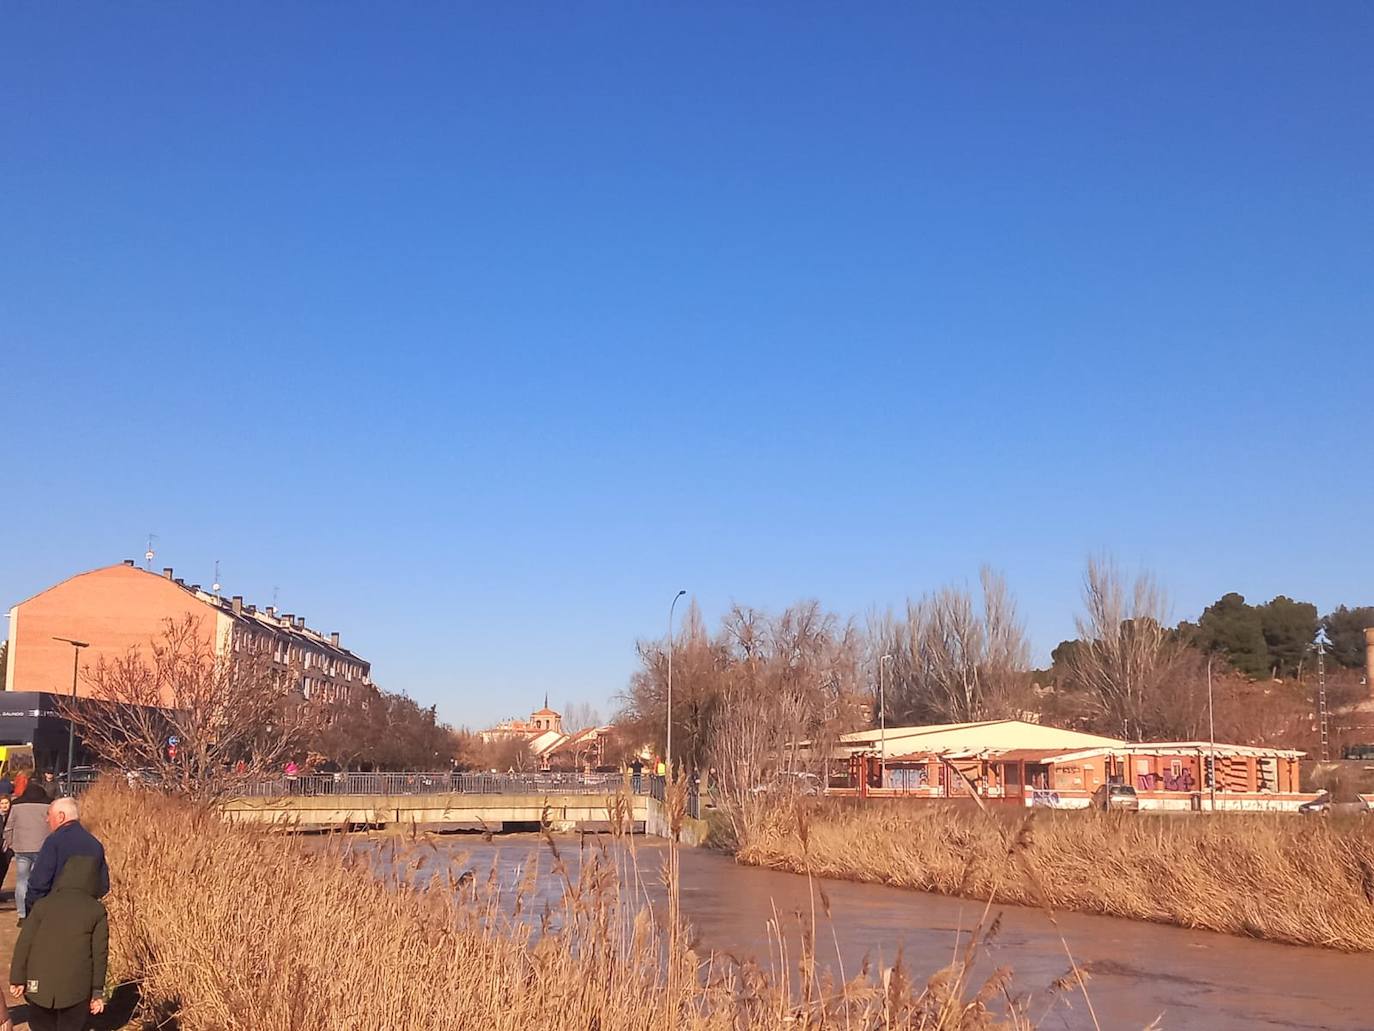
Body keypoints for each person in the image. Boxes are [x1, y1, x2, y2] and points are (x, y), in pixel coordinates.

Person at [9, 853, 107, 1031]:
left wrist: (18, 978)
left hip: (38, 985)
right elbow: (100, 954)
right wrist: (97, 992)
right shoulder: (96, 911)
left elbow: (24, 943)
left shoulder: (43, 905)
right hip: (76, 988)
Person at [27, 798, 109, 910]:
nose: (47, 820)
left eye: (49, 814)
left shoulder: (54, 842)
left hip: (54, 911)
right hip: (85, 913)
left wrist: (32, 910)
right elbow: (103, 885)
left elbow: (39, 882)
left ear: (61, 816)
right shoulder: (95, 844)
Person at [4, 781, 52, 926]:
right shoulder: (48, 806)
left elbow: (8, 827)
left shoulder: (17, 807)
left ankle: (22, 914)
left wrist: (10, 843)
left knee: (22, 880)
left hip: (22, 848)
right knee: (39, 881)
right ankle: (37, 912)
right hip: (42, 848)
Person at [0, 797, 13, 895]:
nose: (4, 805)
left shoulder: (12, 816)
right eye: (2, 803)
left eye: (6, 803)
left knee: (4, 869)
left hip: (8, 846)